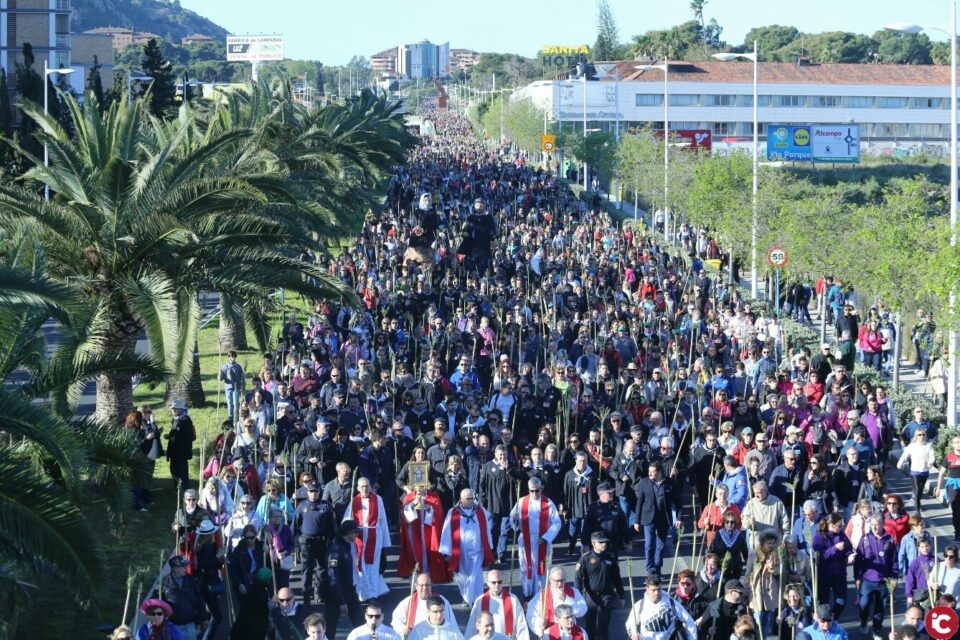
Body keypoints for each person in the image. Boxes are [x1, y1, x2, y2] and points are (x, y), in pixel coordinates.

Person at [440, 488, 495, 605]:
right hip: (461, 552)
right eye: (468, 499)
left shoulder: (480, 511)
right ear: (461, 499)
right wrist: (446, 552)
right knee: (462, 576)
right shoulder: (453, 512)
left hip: (477, 550)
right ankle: (467, 596)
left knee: (476, 575)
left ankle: (477, 598)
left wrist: (489, 545)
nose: (470, 501)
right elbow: (446, 531)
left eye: (472, 498)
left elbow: (486, 528)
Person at [509, 477, 562, 598]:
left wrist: (546, 537)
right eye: (531, 491)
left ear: (541, 488)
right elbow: (513, 518)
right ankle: (527, 593)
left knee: (541, 568)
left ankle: (541, 593)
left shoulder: (548, 503)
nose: (534, 493)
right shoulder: (521, 501)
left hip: (542, 541)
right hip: (526, 540)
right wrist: (514, 519)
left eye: (537, 490)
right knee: (526, 567)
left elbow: (556, 523)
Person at [343, 476, 391, 601]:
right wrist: (349, 532)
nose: (365, 488)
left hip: (374, 535)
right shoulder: (354, 502)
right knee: (359, 566)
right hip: (358, 537)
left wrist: (386, 541)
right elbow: (347, 520)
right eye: (362, 486)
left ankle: (373, 594)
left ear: (370, 486)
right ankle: (362, 593)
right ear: (358, 488)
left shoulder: (378, 499)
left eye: (367, 486)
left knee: (373, 567)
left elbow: (383, 520)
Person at [633, 461, 681, 577]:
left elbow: (678, 502)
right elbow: (639, 503)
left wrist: (678, 518)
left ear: (659, 472)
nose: (649, 473)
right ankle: (650, 570)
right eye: (649, 471)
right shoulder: (644, 483)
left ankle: (658, 566)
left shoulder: (669, 483)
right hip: (648, 518)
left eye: (652, 471)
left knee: (661, 545)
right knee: (649, 545)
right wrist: (636, 521)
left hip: (663, 519)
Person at [575, 531, 625, 640]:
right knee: (590, 627)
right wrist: (577, 597)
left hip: (606, 597)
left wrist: (621, 596)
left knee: (603, 628)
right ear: (593, 543)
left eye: (605, 542)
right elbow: (578, 579)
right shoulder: (585, 559)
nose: (604, 544)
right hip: (590, 597)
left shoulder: (610, 558)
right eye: (601, 542)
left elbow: (617, 579)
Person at [854, 514, 896, 638]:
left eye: (877, 524)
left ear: (883, 524)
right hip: (867, 580)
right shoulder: (865, 539)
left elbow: (894, 561)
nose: (875, 527)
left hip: (883, 580)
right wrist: (857, 576)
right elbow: (858, 560)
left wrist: (893, 578)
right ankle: (863, 620)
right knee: (864, 603)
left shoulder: (889, 540)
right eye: (872, 525)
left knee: (880, 608)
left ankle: (876, 630)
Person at [293, 480, 334, 604]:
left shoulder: (326, 505)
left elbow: (332, 526)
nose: (313, 494)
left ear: (319, 492)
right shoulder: (301, 506)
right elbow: (294, 525)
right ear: (307, 492)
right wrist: (291, 544)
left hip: (322, 542)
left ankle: (320, 592)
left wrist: (332, 542)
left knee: (321, 569)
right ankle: (306, 594)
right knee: (307, 568)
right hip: (306, 542)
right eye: (311, 491)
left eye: (316, 491)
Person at [399, 486, 450, 583]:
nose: (419, 489)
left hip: (429, 532)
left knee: (428, 552)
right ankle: (416, 574)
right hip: (413, 531)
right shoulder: (409, 497)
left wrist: (427, 508)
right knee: (414, 552)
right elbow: (405, 515)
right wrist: (413, 504)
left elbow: (438, 515)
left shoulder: (434, 496)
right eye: (417, 486)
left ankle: (427, 574)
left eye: (422, 486)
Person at [324, 521, 364, 638]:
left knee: (362, 626)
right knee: (328, 630)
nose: (356, 535)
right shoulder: (336, 551)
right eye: (355, 532)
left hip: (349, 592)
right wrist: (341, 602)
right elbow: (333, 579)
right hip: (336, 597)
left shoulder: (345, 546)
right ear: (348, 533)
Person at [624, 575, 696, 640]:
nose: (657, 593)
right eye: (654, 590)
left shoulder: (671, 603)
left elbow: (689, 621)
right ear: (647, 589)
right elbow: (630, 624)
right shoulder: (639, 606)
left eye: (659, 589)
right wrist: (634, 635)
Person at [466, 569, 529, 640]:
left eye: (499, 582)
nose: (497, 585)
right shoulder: (480, 601)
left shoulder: (513, 599)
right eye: (493, 582)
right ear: (488, 583)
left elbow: (521, 625)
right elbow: (472, 626)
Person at [154, 555, 206, 640]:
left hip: (190, 623)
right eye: (183, 566)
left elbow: (199, 598)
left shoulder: (191, 580)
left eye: (186, 565)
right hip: (173, 625)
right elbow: (155, 600)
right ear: (174, 568)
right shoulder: (164, 582)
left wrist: (203, 617)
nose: (186, 568)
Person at [812, 513, 853, 619]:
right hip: (824, 574)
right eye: (839, 525)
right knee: (823, 602)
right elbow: (820, 556)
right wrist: (834, 548)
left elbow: (848, 548)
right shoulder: (819, 536)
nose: (842, 527)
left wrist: (849, 555)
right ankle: (824, 622)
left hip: (839, 573)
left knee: (841, 601)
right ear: (832, 525)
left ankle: (832, 619)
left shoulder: (841, 535)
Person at [526, 567, 588, 636]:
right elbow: (531, 615)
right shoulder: (541, 596)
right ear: (550, 580)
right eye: (557, 581)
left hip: (570, 633)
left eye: (562, 580)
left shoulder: (573, 592)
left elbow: (583, 610)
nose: (559, 584)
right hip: (550, 635)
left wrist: (566, 599)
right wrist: (539, 624)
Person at [391, 574, 456, 638]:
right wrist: (403, 630)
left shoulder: (441, 600)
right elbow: (396, 620)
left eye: (427, 585)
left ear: (431, 585)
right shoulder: (408, 602)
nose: (425, 588)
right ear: (416, 586)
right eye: (421, 585)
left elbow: (451, 623)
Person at [580, 481, 629, 557]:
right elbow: (586, 528)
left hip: (612, 545)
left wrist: (628, 541)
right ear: (601, 494)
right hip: (597, 546)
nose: (612, 494)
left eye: (612, 492)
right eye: (609, 493)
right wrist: (585, 544)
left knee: (613, 567)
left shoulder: (616, 507)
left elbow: (623, 525)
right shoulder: (593, 508)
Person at [898, 427, 936, 513]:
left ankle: (918, 502)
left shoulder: (929, 445)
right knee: (917, 489)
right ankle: (917, 509)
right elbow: (905, 455)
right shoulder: (912, 446)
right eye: (919, 435)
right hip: (915, 471)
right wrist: (899, 464)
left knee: (921, 489)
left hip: (925, 471)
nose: (921, 436)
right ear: (916, 436)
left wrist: (929, 464)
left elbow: (932, 456)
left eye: (923, 434)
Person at [166, 399, 196, 491]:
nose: (173, 411)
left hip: (182, 452)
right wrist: (169, 436)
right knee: (173, 470)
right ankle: (177, 488)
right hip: (174, 451)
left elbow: (189, 437)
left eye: (175, 409)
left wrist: (176, 439)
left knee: (182, 471)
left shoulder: (186, 420)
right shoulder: (175, 420)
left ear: (181, 409)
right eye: (172, 409)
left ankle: (185, 488)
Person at [935, 434, 960, 540]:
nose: (959, 444)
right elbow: (941, 473)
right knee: (956, 510)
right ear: (953, 444)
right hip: (952, 486)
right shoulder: (948, 457)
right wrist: (938, 487)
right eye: (956, 442)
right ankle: (958, 533)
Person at [220, 350, 245, 424]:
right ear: (228, 357)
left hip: (236, 387)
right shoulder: (224, 367)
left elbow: (241, 375)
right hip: (228, 387)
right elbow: (221, 377)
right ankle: (230, 418)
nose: (232, 358)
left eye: (234, 357)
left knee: (235, 403)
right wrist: (220, 376)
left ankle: (236, 417)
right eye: (231, 357)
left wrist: (243, 379)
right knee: (230, 403)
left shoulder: (238, 366)